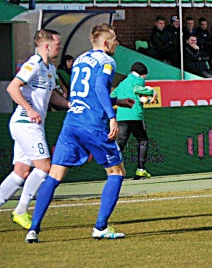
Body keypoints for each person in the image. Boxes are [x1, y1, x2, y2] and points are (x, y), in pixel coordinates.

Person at [26, 24, 130, 242]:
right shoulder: (107, 61)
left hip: (72, 123)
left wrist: (118, 101)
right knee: (116, 172)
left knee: (54, 176)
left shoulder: (81, 60)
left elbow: (86, 94)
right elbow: (100, 88)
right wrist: (112, 116)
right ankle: (100, 227)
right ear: (105, 43)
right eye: (115, 39)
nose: (117, 43)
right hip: (92, 124)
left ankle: (33, 229)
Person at [0, 30, 67, 229]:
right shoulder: (34, 64)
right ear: (46, 46)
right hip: (26, 125)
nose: (59, 47)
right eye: (57, 43)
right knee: (45, 167)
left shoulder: (50, 69)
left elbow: (52, 96)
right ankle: (21, 210)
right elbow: (12, 88)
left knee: (21, 171)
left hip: (29, 125)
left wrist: (69, 105)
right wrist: (29, 109)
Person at [111, 62, 156, 179]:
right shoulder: (138, 80)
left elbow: (112, 96)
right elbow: (138, 89)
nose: (144, 79)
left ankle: (113, 170)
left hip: (121, 116)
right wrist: (151, 91)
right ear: (141, 74)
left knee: (120, 144)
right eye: (144, 76)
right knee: (143, 140)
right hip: (135, 115)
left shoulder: (122, 83)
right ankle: (141, 170)